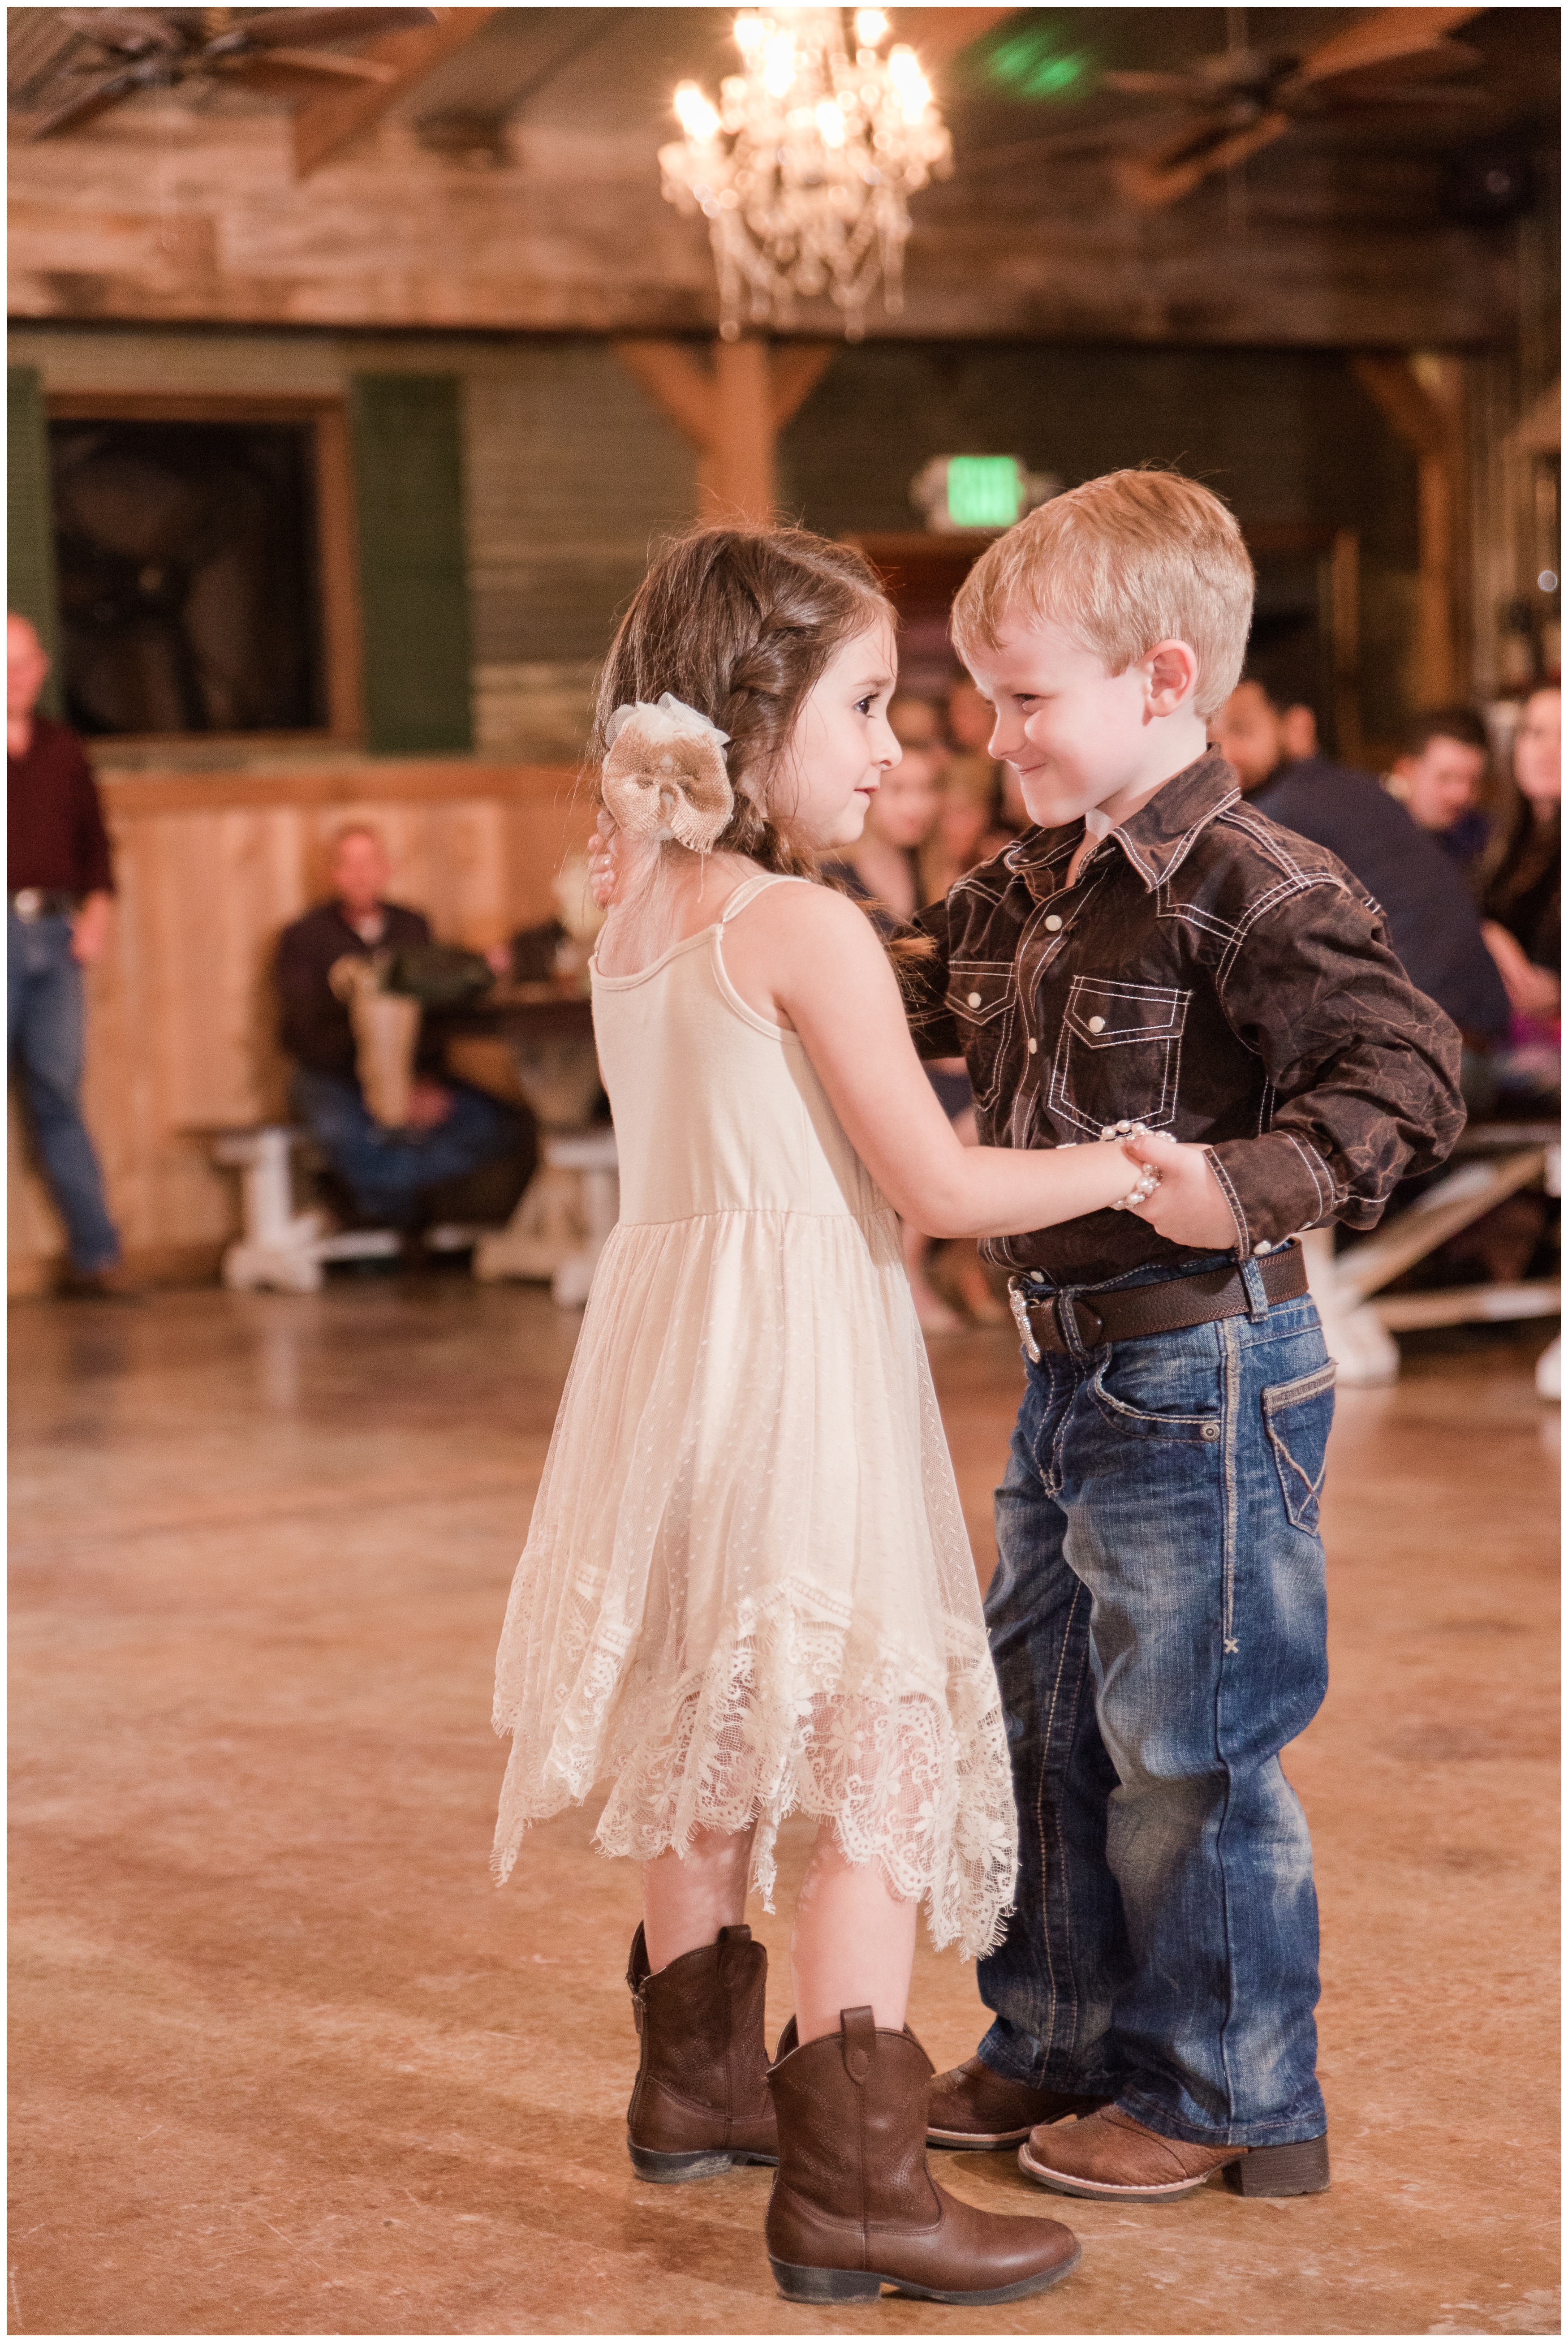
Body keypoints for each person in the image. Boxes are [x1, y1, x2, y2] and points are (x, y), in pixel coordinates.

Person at [493, 526, 1185, 2307]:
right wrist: (1120, 1161)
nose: (899, 746)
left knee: (713, 1708)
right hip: (793, 1355)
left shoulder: (634, 909)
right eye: (865, 703)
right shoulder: (794, 919)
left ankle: (698, 2081)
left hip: (666, 1355)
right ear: (753, 709)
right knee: (870, 1730)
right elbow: (938, 1182)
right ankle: (860, 2185)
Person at [899, 470, 1464, 2201]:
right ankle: (1056, 2034)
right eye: (986, 702)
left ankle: (1229, 2094)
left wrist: (1244, 1185)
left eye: (1025, 701)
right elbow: (887, 993)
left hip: (1209, 1371)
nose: (997, 738)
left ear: (1160, 678)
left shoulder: (1257, 880)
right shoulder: (1016, 889)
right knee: (1043, 1720)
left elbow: (1410, 1074)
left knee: (1191, 1750)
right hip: (1067, 1371)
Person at [1213, 677, 1510, 1046]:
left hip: (1428, 1052)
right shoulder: (1360, 788)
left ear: (1297, 728)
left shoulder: (1280, 812)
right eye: (1217, 731)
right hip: (1478, 1033)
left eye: (1243, 730)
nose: (1226, 750)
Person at [275, 825, 534, 1234]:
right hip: (335, 1079)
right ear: (333, 873)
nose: (360, 875)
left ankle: (369, 1199)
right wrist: (377, 1086)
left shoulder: (412, 928)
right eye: (349, 864)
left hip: (415, 1076)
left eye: (369, 863)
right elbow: (303, 1033)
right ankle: (387, 1199)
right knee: (348, 1133)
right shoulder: (305, 938)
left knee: (506, 1126)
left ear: (386, 869)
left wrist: (416, 1084)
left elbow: (436, 1011)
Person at [6, 611, 134, 1299]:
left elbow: (96, 842)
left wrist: (98, 912)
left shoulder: (61, 748)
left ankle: (98, 1254)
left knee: (59, 1093)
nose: (14, 679)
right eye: (5, 667)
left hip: (54, 934)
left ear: (42, 669)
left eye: (24, 664)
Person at [1479, 683, 1560, 1032]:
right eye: (1535, 733)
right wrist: (1499, 943)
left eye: (1564, 735)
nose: (1547, 750)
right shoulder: (1503, 836)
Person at [1385, 706, 1492, 872]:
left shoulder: (1489, 841)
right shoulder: (1374, 843)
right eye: (1446, 778)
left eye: (1474, 781)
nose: (1462, 795)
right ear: (1406, 772)